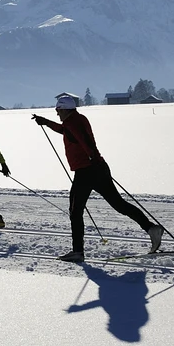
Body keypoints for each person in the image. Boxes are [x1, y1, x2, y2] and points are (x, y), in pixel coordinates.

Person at [34, 94, 162, 262]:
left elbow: (86, 141)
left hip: (87, 170)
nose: (57, 113)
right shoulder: (76, 120)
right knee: (119, 204)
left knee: (75, 211)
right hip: (96, 168)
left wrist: (92, 158)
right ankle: (151, 228)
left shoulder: (73, 122)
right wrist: (45, 122)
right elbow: (66, 131)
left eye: (58, 110)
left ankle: (77, 252)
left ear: (64, 109)